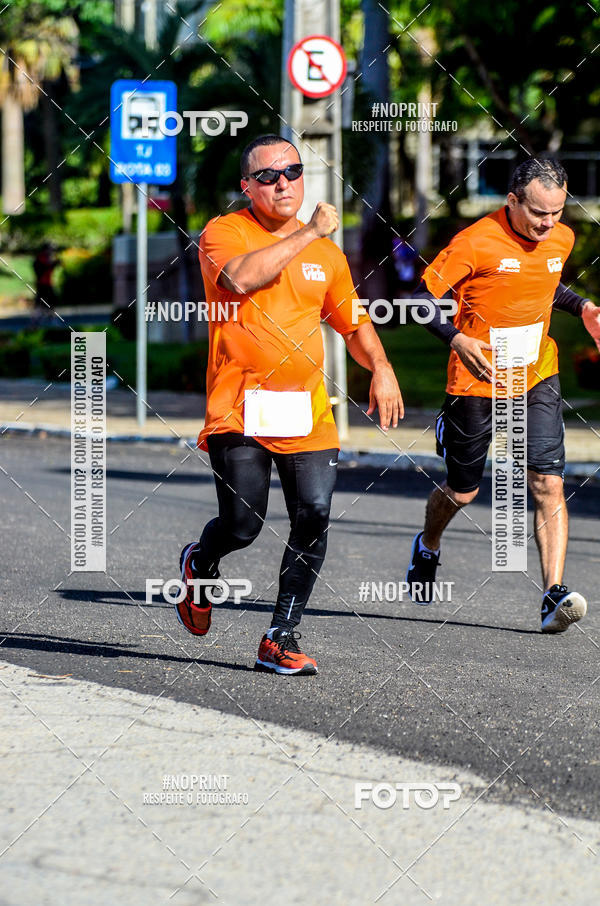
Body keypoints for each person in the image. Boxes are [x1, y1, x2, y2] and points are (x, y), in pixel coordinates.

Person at [177, 133, 404, 674]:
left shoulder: (325, 255)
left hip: (306, 410)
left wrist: (382, 367)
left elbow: (353, 323)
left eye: (293, 172)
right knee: (243, 526)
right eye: (269, 176)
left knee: (316, 514)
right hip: (239, 408)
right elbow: (240, 278)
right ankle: (200, 562)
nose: (284, 183)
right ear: (246, 187)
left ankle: (279, 636)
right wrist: (308, 232)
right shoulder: (225, 233)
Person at [405, 158, 600, 633]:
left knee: (546, 482)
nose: (547, 224)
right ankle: (427, 544)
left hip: (536, 373)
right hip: (477, 379)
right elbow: (421, 301)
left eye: (556, 213)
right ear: (511, 201)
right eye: (537, 213)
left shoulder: (560, 236)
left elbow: (544, 285)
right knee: (464, 490)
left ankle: (552, 594)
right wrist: (456, 338)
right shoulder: (475, 241)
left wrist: (585, 307)